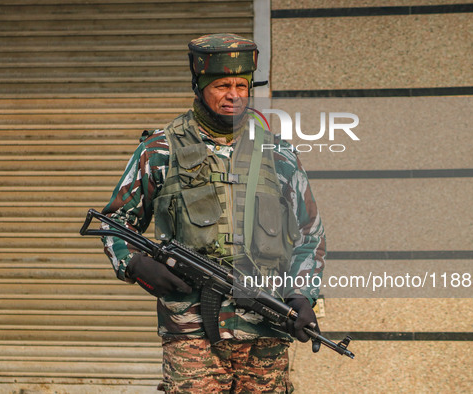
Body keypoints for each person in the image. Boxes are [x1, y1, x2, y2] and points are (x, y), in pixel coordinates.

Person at [101, 33, 326, 393]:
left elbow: (309, 234)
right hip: (191, 335)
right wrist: (136, 264)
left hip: (266, 334)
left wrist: (302, 295)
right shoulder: (161, 149)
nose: (234, 94)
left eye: (241, 84)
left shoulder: (279, 155)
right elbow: (114, 224)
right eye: (222, 85)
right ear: (200, 86)